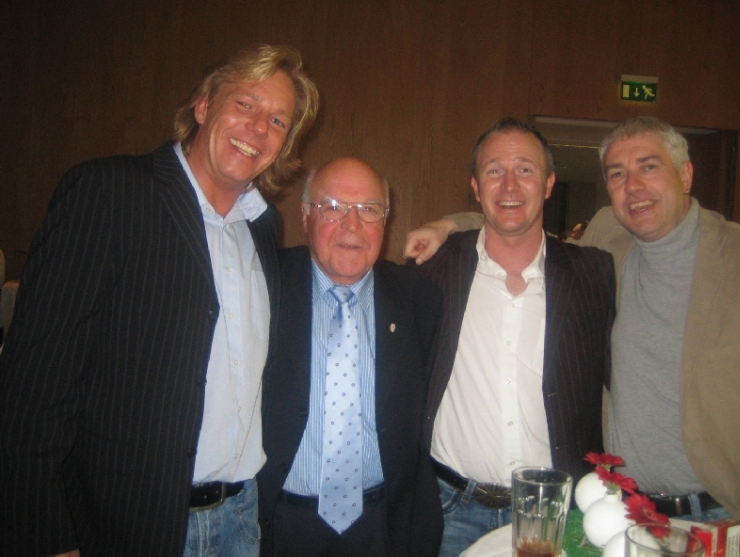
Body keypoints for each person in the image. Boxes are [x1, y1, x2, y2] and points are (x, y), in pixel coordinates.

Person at [404, 116, 740, 534]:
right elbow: (511, 220)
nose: (634, 186)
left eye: (649, 166)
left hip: (725, 515)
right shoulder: (608, 244)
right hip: (623, 511)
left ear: (685, 175)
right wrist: (448, 226)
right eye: (617, 174)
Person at [0, 44, 319, 557]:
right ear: (203, 106)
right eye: (245, 104)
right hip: (130, 524)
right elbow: (32, 387)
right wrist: (48, 535)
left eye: (278, 120)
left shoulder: (262, 226)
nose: (259, 127)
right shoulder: (110, 194)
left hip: (241, 519)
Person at [409, 117, 615, 557]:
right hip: (449, 508)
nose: (509, 185)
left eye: (525, 169)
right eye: (494, 170)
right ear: (475, 186)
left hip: (553, 514)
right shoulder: (433, 269)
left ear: (548, 184)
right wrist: (446, 225)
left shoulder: (594, 274)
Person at [256, 157, 444, 556]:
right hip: (280, 523)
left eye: (369, 210)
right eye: (333, 207)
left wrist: (449, 225)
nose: (352, 225)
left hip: (383, 526)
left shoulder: (418, 298)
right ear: (305, 216)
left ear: (386, 222)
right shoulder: (264, 284)